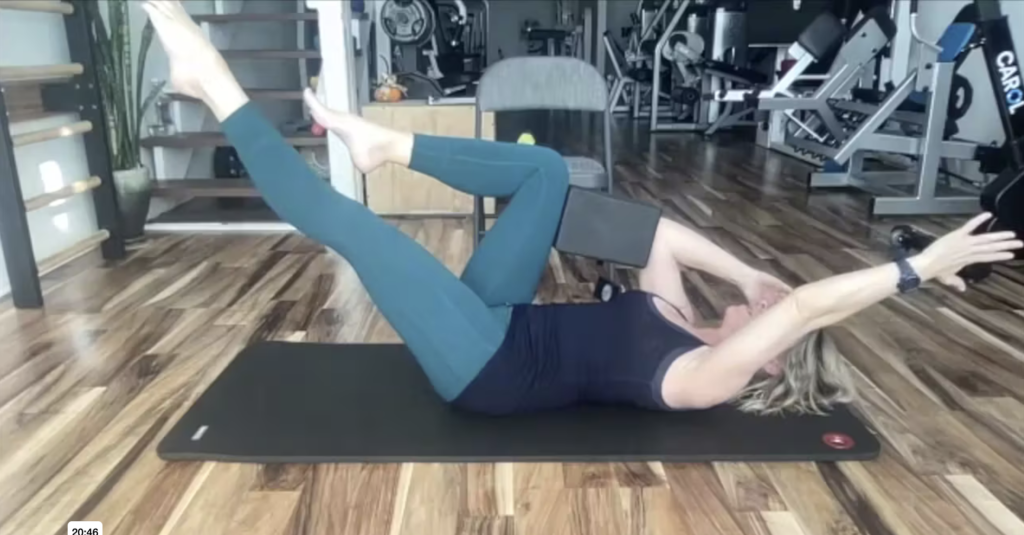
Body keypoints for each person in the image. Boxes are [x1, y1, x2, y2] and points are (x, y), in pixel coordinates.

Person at [143, 0, 1022, 416]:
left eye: (771, 324)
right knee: (549, 178)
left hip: (485, 370)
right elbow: (659, 233)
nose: (764, 305)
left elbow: (802, 307)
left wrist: (918, 269)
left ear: (770, 365)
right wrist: (747, 267)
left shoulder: (702, 380)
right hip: (502, 316)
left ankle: (212, 81)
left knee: (353, 226)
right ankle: (387, 144)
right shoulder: (678, 312)